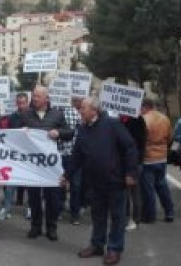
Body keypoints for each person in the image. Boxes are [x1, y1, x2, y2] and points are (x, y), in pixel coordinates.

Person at [62, 97, 138, 266]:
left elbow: (130, 147)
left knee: (117, 216)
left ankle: (114, 248)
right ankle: (97, 245)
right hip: (94, 182)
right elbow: (77, 156)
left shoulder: (113, 124)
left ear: (94, 111)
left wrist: (131, 172)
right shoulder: (82, 129)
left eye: (83, 108)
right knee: (98, 216)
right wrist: (67, 175)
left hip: (116, 180)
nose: (80, 111)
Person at [20, 86, 74, 241]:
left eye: (37, 96)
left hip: (51, 165)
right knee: (33, 197)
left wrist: (59, 133)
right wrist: (22, 132)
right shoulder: (26, 114)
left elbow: (70, 133)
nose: (34, 99)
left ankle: (51, 228)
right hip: (33, 164)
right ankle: (35, 227)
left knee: (52, 197)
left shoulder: (57, 114)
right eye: (34, 96)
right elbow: (15, 134)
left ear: (46, 98)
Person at [140, 98, 175, 223]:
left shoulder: (144, 119)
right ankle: (169, 211)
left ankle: (150, 215)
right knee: (162, 185)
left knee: (148, 188)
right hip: (162, 157)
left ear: (145, 107)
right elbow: (170, 137)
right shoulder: (165, 118)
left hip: (148, 157)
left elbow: (141, 139)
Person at [119, 113, 146, 232]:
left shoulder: (137, 120)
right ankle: (125, 218)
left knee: (133, 191)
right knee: (124, 191)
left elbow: (140, 143)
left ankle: (135, 219)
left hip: (134, 161)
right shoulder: (118, 119)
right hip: (121, 161)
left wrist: (135, 163)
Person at [58, 97, 82, 226]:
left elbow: (81, 130)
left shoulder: (76, 113)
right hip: (60, 154)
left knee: (76, 185)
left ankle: (75, 213)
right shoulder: (55, 112)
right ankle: (59, 209)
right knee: (60, 183)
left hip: (74, 155)